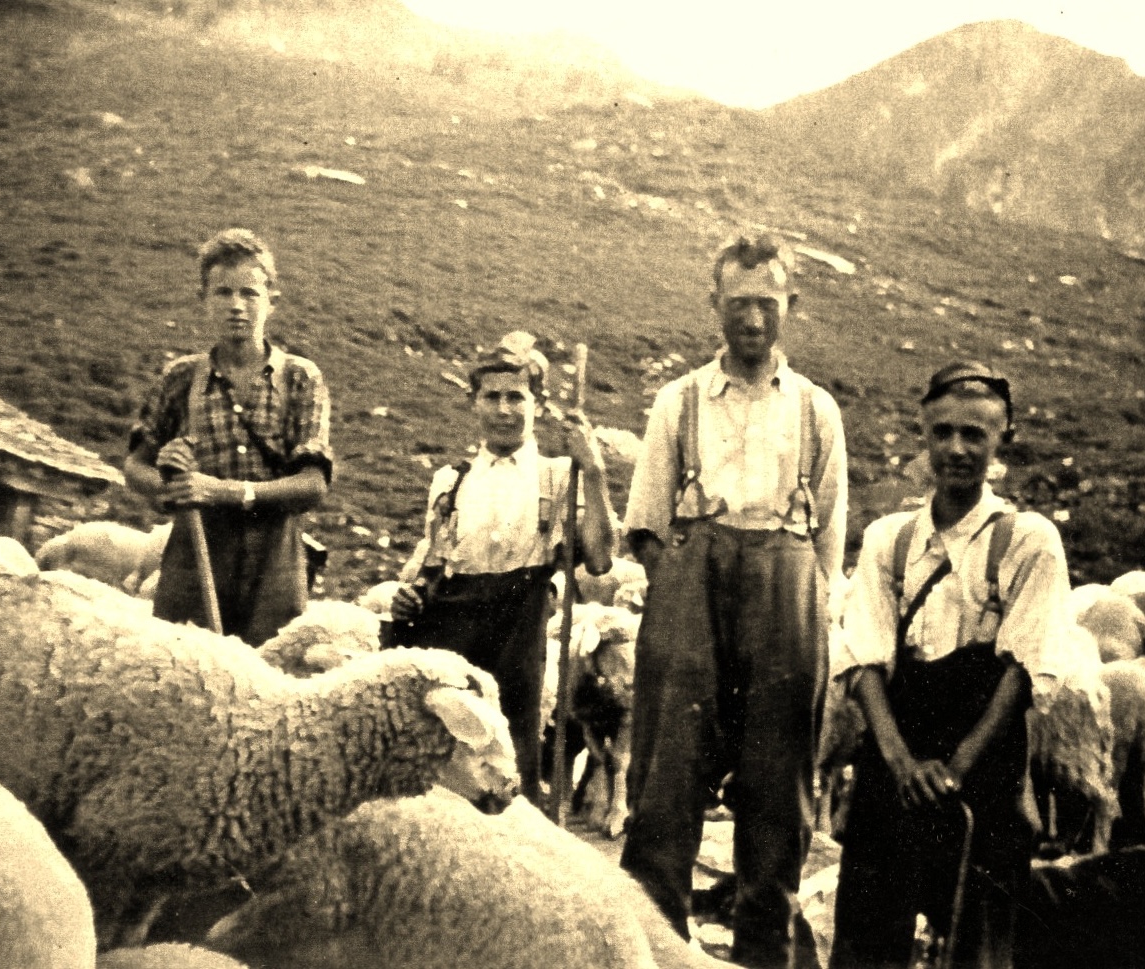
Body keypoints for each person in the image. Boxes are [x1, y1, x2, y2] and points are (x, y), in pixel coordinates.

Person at [620, 234, 847, 969]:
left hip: (785, 595)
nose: (752, 317)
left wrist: (792, 598)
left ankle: (764, 959)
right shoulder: (677, 402)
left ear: (791, 307)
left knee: (778, 799)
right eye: (738, 301)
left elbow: (827, 547)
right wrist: (688, 589)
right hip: (691, 597)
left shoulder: (817, 412)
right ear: (713, 303)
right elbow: (647, 526)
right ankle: (651, 953)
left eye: (767, 302)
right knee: (665, 785)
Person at [828, 362, 1072, 969]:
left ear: (1002, 440)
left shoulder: (1028, 540)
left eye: (974, 435)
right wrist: (903, 765)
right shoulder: (890, 539)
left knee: (977, 932)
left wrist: (956, 768)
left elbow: (1023, 666)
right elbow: (863, 659)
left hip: (983, 762)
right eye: (943, 434)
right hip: (896, 753)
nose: (956, 449)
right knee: (867, 929)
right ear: (924, 434)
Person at [388, 330, 617, 804]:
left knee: (511, 759)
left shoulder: (559, 477)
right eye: (491, 397)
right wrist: (408, 593)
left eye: (517, 396)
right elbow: (431, 562)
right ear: (474, 403)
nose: (504, 409)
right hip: (452, 629)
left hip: (517, 630)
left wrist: (593, 472)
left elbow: (599, 558)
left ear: (538, 403)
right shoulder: (452, 480)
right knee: (448, 756)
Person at [125, 228, 332, 647]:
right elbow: (135, 466)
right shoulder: (181, 378)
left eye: (249, 293)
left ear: (271, 300)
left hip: (275, 560)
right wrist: (172, 488)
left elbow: (313, 485)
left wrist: (224, 491)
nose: (236, 306)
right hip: (195, 552)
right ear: (203, 300)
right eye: (222, 293)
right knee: (183, 675)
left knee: (268, 679)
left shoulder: (300, 378)